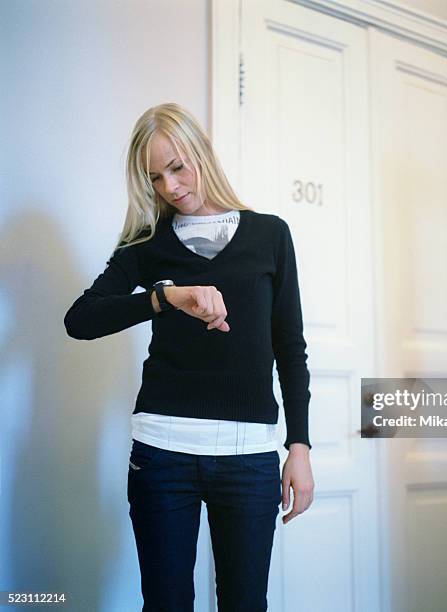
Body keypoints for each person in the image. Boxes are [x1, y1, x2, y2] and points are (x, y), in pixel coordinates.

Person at [64, 102, 315, 612]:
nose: (170, 187)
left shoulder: (270, 235)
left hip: (248, 459)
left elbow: (290, 348)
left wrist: (301, 446)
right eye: (155, 177)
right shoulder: (146, 244)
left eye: (176, 167)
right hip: (160, 455)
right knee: (165, 603)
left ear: (201, 153)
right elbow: (80, 319)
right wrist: (165, 297)